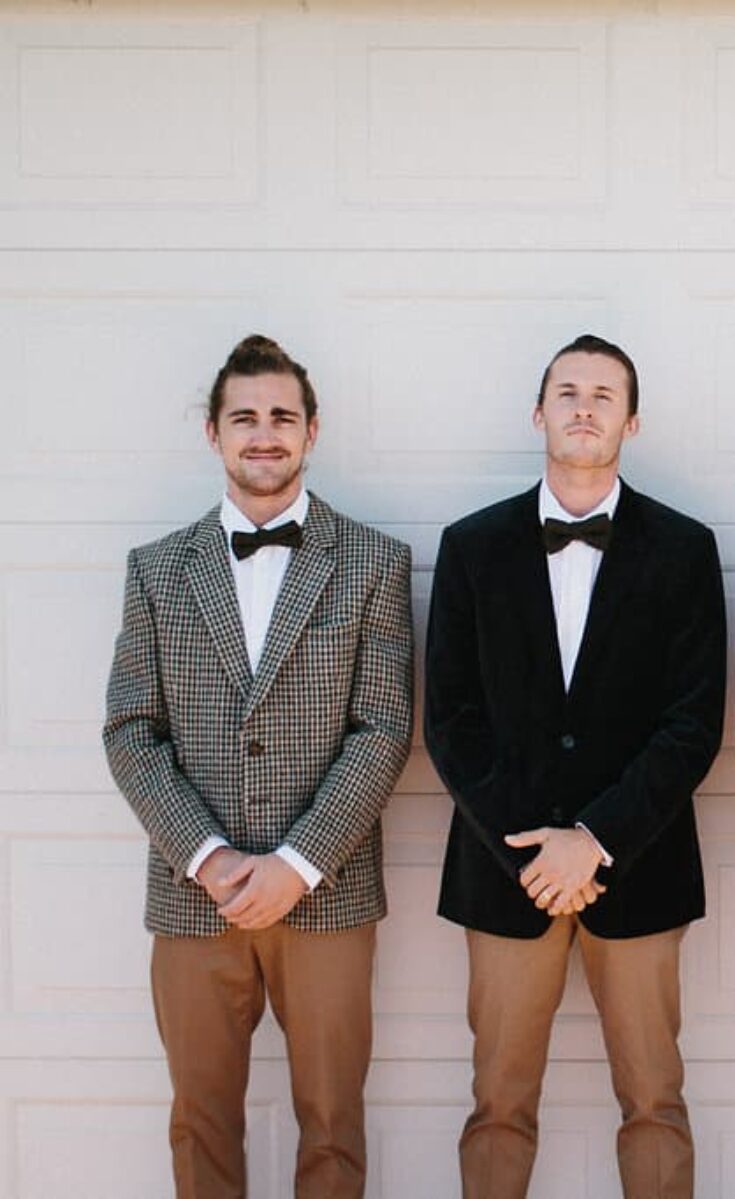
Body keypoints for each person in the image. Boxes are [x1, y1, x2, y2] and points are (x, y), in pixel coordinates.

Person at [103, 334, 414, 1198]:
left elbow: (382, 727)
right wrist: (207, 856)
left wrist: (296, 863)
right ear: (214, 433)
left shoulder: (373, 562)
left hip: (329, 892)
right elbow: (130, 730)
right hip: (191, 895)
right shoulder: (158, 568)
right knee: (200, 1124)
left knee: (332, 1125)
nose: (264, 434)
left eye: (282, 416)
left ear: (312, 430)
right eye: (245, 417)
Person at [424, 334, 726, 1199]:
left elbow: (691, 724)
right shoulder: (473, 546)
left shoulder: (683, 547)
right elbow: (451, 720)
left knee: (656, 1102)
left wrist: (593, 840)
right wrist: (536, 848)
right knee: (497, 1105)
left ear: (632, 420)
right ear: (538, 412)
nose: (584, 407)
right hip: (505, 871)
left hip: (638, 866)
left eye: (603, 394)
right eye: (567, 391)